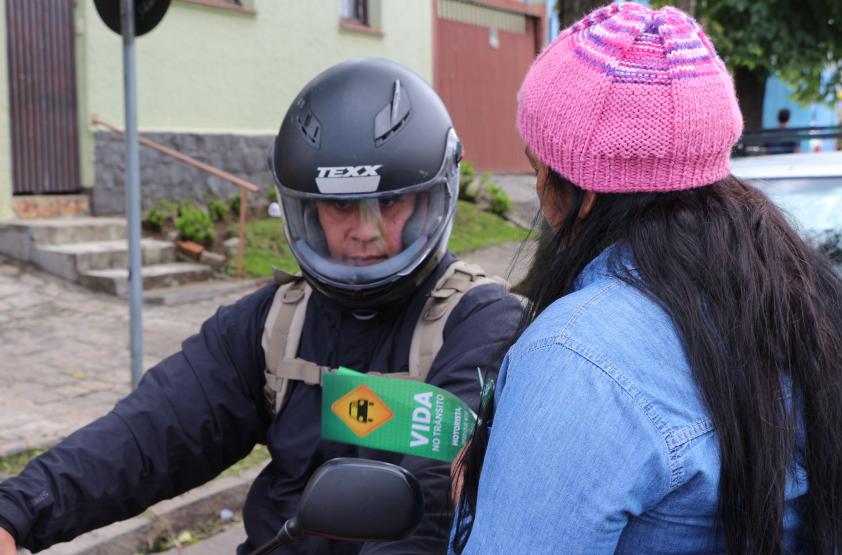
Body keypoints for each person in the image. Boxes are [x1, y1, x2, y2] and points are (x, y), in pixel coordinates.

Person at [0, 58, 523, 554]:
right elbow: (152, 431)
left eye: (389, 202)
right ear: (305, 210)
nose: (365, 231)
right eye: (340, 206)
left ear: (432, 198)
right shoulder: (276, 325)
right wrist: (16, 511)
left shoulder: (481, 324)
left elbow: (437, 503)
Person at [451, 4, 842, 553]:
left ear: (583, 191)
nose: (538, 183)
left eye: (537, 163)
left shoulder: (578, 353)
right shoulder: (809, 300)